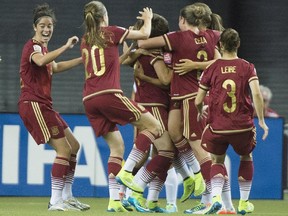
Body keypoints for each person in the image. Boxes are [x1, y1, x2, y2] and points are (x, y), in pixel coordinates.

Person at [80, 1, 174, 212]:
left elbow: (113, 61)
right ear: (104, 16)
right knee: (155, 127)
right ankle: (127, 172)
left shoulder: (86, 39)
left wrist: (128, 53)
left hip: (89, 99)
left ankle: (114, 201)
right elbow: (144, 33)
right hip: (108, 94)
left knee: (116, 148)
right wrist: (148, 19)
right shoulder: (111, 31)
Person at [138, 2, 221, 212]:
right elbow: (219, 61)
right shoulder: (211, 35)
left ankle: (210, 198)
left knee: (198, 146)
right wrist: (197, 65)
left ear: (183, 20)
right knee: (174, 131)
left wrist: (145, 24)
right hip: (180, 96)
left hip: (192, 97)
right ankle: (193, 178)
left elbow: (144, 42)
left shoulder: (178, 37)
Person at [18, 3, 90, 211]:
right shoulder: (32, 46)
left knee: (74, 146)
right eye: (43, 25)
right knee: (63, 149)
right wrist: (66, 47)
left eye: (50, 26)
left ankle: (67, 196)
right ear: (35, 26)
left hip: (45, 106)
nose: (47, 29)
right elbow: (41, 62)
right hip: (33, 104)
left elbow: (54, 66)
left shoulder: (44, 48)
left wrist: (81, 60)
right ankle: (55, 200)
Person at [194, 28, 269, 214]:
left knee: (217, 161)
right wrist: (261, 120)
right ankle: (244, 203)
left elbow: (197, 100)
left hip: (218, 126)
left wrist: (199, 110)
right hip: (242, 126)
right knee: (246, 156)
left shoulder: (211, 68)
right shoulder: (247, 66)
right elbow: (257, 93)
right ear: (238, 44)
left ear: (219, 45)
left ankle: (217, 198)